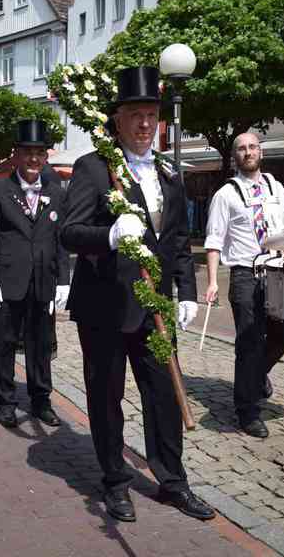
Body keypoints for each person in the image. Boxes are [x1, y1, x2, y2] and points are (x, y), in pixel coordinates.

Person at [61, 66, 214, 523]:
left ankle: (173, 482)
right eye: (135, 115)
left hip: (155, 307)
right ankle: (114, 481)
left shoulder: (169, 171)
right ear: (118, 119)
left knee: (164, 394)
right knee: (106, 396)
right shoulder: (94, 167)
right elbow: (69, 232)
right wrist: (110, 235)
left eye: (151, 115)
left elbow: (178, 241)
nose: (145, 123)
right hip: (105, 306)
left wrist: (186, 292)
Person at [0, 120, 70, 428]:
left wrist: (63, 280)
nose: (34, 159)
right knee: (4, 342)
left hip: (43, 280)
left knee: (41, 344)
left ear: (46, 156)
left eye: (40, 153)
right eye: (28, 152)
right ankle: (5, 401)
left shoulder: (56, 193)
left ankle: (41, 400)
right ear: (16, 154)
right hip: (8, 280)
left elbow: (60, 240)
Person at [204, 132, 284, 438]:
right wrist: (212, 282)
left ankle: (255, 378)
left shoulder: (276, 187)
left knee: (283, 334)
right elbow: (214, 241)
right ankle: (248, 412)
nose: (248, 152)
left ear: (261, 152)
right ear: (235, 157)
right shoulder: (225, 195)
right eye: (241, 149)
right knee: (250, 342)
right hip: (244, 274)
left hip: (277, 271)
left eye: (252, 147)